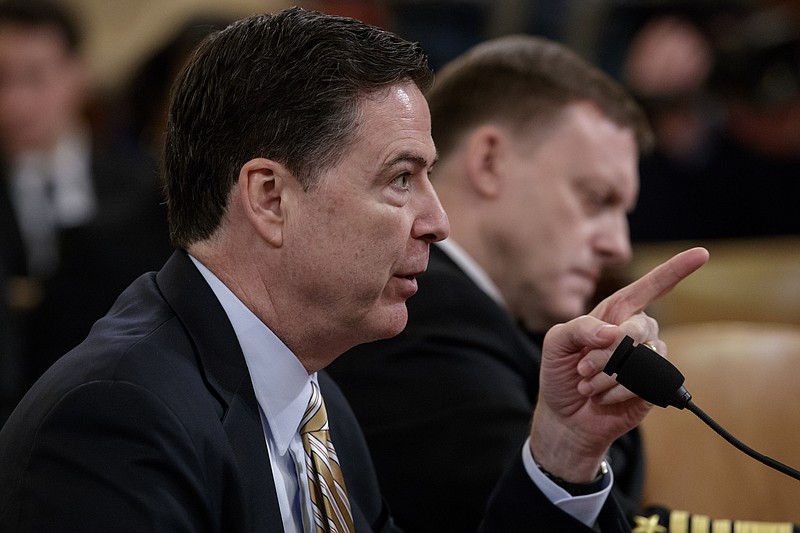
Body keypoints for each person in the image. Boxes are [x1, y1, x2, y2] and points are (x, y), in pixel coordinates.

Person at [0, 7, 707, 531]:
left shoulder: (315, 400)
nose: (438, 220)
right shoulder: (119, 416)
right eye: (401, 178)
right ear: (270, 197)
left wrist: (561, 451)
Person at [326, 34, 658, 532]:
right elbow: (529, 515)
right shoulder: (417, 310)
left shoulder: (503, 318)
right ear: (489, 163)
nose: (618, 246)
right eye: (596, 199)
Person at [0, 0, 172, 390]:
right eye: (1, 79)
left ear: (78, 74)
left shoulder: (145, 187)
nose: (14, 102)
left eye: (34, 77)